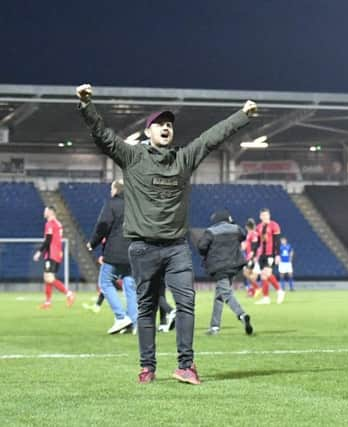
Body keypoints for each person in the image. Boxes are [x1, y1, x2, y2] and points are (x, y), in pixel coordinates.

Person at [76, 83, 256, 384]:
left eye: (169, 124)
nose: (166, 128)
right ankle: (148, 367)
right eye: (160, 124)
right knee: (146, 308)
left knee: (186, 303)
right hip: (143, 248)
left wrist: (242, 115)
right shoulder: (133, 157)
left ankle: (186, 365)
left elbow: (212, 138)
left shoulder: (183, 159)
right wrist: (86, 105)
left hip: (176, 248)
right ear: (148, 132)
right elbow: (103, 136)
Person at [86, 179, 137, 335]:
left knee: (105, 282)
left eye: (111, 189)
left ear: (116, 190)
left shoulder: (112, 204)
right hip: (133, 252)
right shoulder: (136, 206)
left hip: (114, 252)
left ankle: (120, 317)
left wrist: (92, 243)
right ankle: (133, 322)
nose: (110, 192)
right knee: (130, 285)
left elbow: (103, 225)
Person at [196, 209, 253, 336]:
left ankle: (242, 315)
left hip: (219, 267)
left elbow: (201, 247)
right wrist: (233, 223)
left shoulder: (211, 231)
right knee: (220, 295)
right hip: (233, 266)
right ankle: (214, 326)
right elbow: (243, 236)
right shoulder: (236, 228)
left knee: (226, 293)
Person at [33, 206, 75, 309]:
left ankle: (69, 294)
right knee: (47, 278)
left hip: (52, 254)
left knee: (49, 278)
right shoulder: (58, 223)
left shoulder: (50, 224)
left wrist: (39, 252)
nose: (44, 212)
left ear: (51, 212)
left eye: (46, 210)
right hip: (57, 254)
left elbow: (48, 240)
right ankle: (48, 303)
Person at [255, 208, 285, 305]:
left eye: (266, 215)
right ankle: (266, 298)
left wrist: (278, 255)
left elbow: (277, 241)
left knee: (266, 272)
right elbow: (258, 242)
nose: (265, 217)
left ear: (269, 215)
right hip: (262, 254)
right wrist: (255, 254)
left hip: (271, 254)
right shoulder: (258, 227)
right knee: (264, 275)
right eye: (263, 215)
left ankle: (280, 290)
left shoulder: (274, 225)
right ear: (260, 217)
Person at [242, 218, 262, 298]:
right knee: (252, 275)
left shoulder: (252, 234)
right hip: (254, 257)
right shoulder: (255, 234)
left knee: (247, 273)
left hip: (252, 257)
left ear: (247, 227)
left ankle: (256, 289)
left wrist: (253, 255)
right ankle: (253, 292)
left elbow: (254, 246)